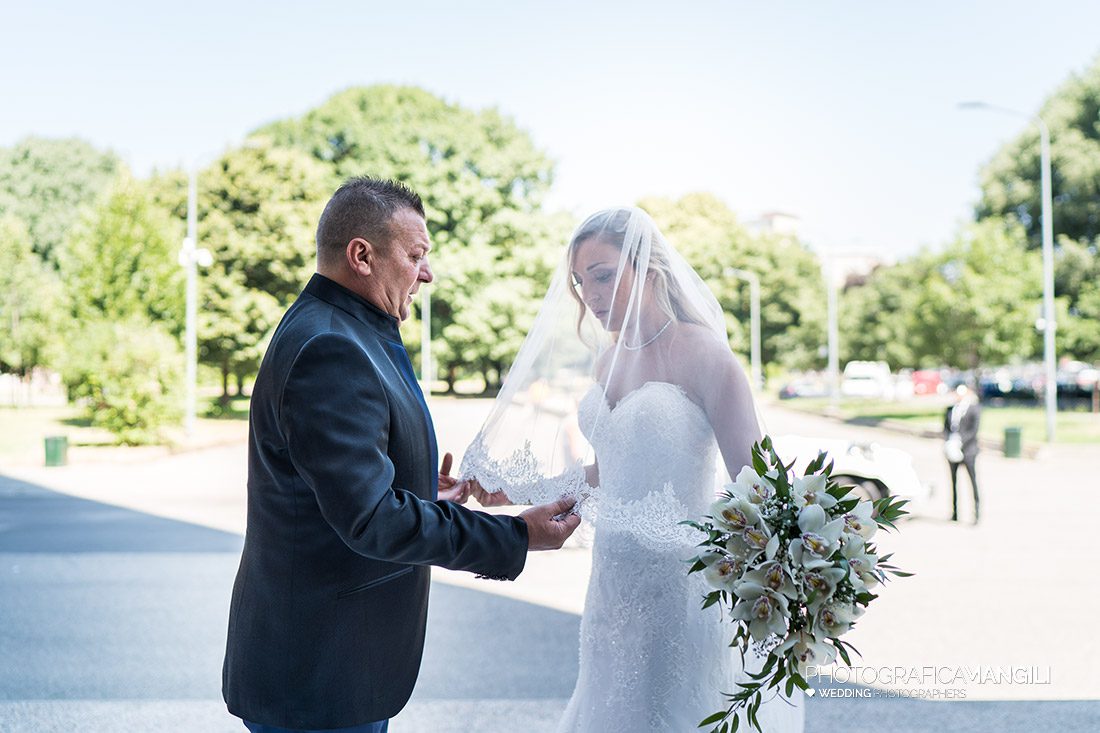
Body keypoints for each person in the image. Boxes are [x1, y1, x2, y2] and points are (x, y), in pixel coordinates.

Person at [222, 177, 580, 733]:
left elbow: (343, 482)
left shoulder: (345, 328)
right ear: (361, 255)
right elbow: (370, 520)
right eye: (416, 256)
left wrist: (416, 485)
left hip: (335, 664)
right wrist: (517, 536)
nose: (427, 274)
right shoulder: (331, 348)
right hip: (319, 675)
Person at [461, 207, 804, 732]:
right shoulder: (608, 362)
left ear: (649, 268)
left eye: (602, 275)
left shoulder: (706, 355)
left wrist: (801, 571)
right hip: (611, 587)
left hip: (683, 586)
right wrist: (505, 491)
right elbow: (608, 469)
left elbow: (758, 482)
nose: (590, 296)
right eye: (580, 282)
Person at [944, 383, 981, 523]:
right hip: (952, 449)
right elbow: (946, 428)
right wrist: (949, 442)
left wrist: (960, 442)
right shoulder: (950, 409)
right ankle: (955, 513)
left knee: (972, 481)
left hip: (968, 450)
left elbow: (973, 430)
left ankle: (976, 512)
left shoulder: (974, 409)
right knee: (953, 482)